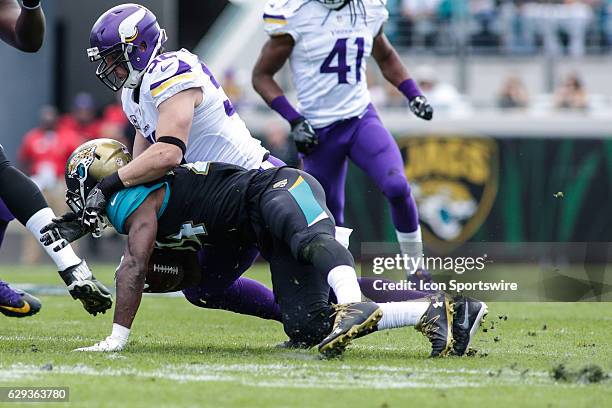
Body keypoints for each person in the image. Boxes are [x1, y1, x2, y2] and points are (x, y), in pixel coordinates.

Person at [44, 139, 480, 357]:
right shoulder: (142, 200)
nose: (84, 196)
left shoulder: (130, 199)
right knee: (308, 327)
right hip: (248, 229)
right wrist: (157, 277)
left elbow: (134, 266)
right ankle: (430, 311)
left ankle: (353, 302)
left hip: (276, 188)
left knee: (312, 243)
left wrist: (117, 336)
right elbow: (187, 275)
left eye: (83, 186)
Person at [252, 0, 433, 274]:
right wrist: (295, 119)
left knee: (397, 185)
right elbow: (262, 76)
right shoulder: (295, 15)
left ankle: (417, 271)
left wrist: (413, 92)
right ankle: (341, 288)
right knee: (328, 221)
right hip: (318, 132)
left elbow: (385, 56)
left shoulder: (368, 9)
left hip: (360, 118)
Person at [0, 0, 111, 318]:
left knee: (5, 195)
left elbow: (29, 40)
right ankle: (71, 265)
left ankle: (71, 265)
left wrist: (31, 5)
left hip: (52, 182)